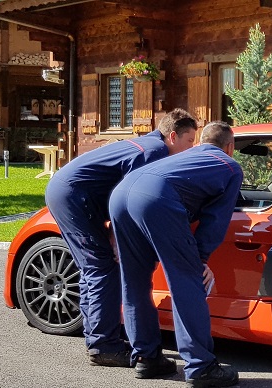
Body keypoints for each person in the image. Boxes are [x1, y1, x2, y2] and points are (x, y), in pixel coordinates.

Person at [44, 109, 198, 367]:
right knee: (102, 267)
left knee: (94, 267)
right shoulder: (155, 152)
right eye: (190, 141)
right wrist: (116, 236)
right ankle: (104, 346)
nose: (192, 148)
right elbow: (128, 195)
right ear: (173, 136)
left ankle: (99, 338)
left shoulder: (148, 144)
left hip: (70, 192)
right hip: (73, 196)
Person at [109, 121, 243, 387]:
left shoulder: (186, 156)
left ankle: (147, 358)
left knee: (134, 281)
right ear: (230, 147)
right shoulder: (230, 166)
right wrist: (200, 258)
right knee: (187, 281)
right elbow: (216, 218)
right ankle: (201, 366)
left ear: (202, 141)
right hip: (156, 197)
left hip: (122, 192)